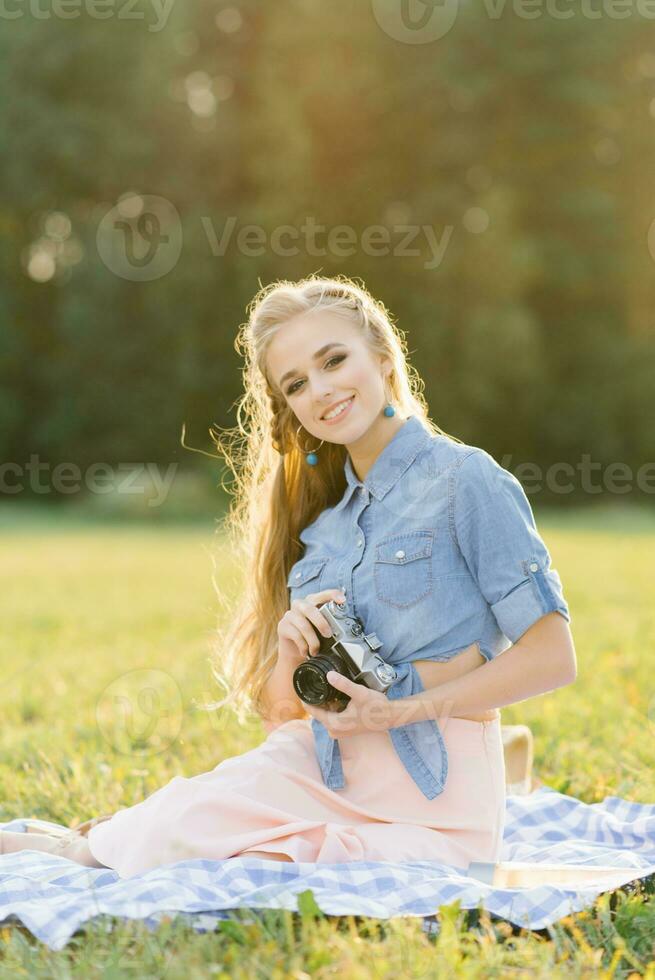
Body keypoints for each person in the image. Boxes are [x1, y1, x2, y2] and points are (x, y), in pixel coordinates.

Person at [0, 274, 577, 877]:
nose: (322, 391)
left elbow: (551, 657)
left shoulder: (466, 481)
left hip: (434, 801)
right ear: (289, 406)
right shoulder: (321, 530)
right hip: (318, 773)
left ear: (382, 359)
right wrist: (286, 653)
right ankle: (90, 843)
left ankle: (94, 843)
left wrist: (397, 711)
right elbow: (286, 718)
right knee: (175, 843)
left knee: (189, 847)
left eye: (334, 360)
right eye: (296, 384)